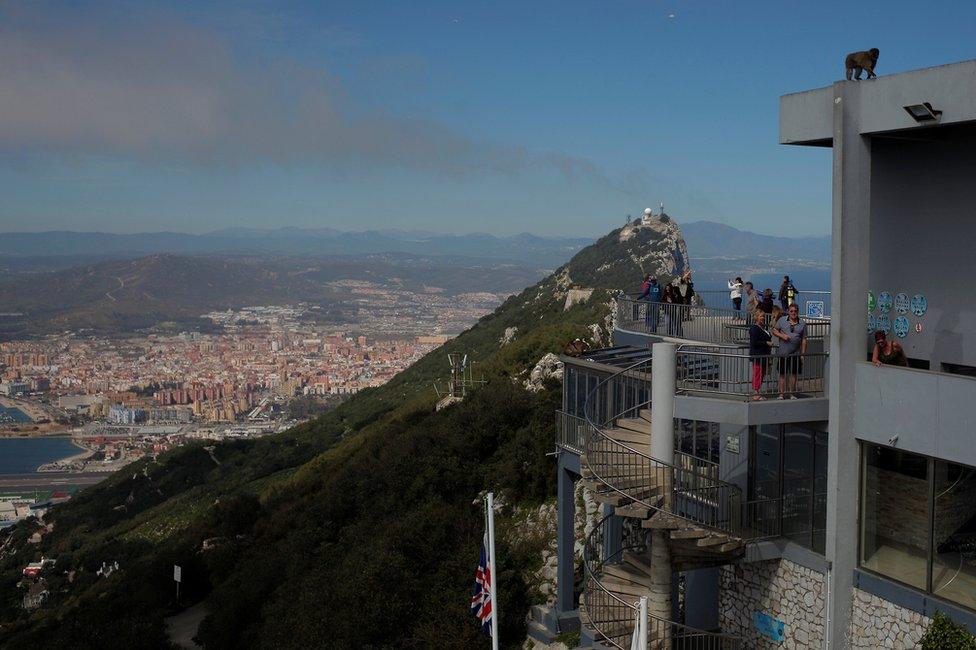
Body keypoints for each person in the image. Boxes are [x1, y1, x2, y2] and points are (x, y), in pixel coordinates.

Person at [772, 303, 807, 399]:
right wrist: (782, 336)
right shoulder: (782, 320)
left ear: (798, 312)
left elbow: (804, 339)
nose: (793, 313)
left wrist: (803, 354)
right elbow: (774, 330)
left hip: (795, 354)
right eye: (791, 311)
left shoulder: (802, 323)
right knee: (782, 374)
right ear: (788, 311)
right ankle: (781, 394)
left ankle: (792, 393)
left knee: (793, 374)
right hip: (783, 353)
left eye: (795, 311)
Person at [749, 310, 773, 400]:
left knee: (762, 374)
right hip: (757, 355)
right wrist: (766, 343)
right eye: (760, 316)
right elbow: (754, 342)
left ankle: (758, 391)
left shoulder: (763, 328)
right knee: (757, 374)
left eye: (763, 316)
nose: (762, 318)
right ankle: (755, 393)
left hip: (764, 355)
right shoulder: (754, 328)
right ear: (756, 317)